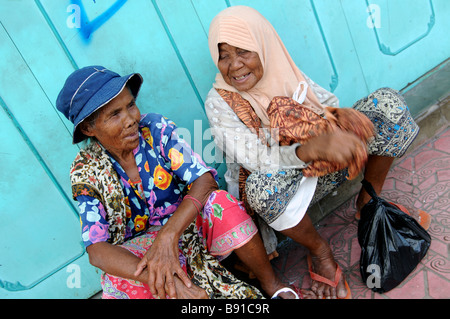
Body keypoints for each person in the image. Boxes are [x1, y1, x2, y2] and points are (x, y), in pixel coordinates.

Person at [205, 6, 420, 299]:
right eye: (224, 55)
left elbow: (325, 103)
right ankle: (319, 250)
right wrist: (310, 149)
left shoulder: (280, 65)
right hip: (286, 194)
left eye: (244, 51)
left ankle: (367, 202)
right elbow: (260, 162)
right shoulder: (219, 102)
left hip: (327, 166)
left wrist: (338, 118)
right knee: (260, 188)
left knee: (387, 104)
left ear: (262, 45)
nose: (234, 65)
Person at [56, 65, 306, 299]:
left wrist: (168, 235)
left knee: (221, 203)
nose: (131, 118)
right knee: (115, 283)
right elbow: (97, 250)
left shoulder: (154, 129)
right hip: (144, 256)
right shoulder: (86, 172)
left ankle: (271, 283)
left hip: (187, 226)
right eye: (114, 114)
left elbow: (205, 181)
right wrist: (167, 281)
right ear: (89, 128)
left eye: (131, 105)